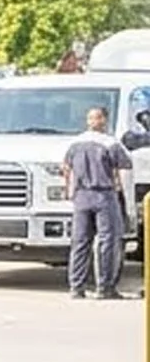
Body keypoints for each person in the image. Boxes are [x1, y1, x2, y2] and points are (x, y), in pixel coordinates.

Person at [62, 103, 131, 301]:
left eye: (95, 118)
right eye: (94, 118)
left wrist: (70, 191)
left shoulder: (74, 143)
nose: (95, 121)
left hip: (81, 196)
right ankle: (105, 287)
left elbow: (66, 168)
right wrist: (121, 191)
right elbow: (124, 167)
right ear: (105, 121)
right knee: (107, 241)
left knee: (80, 242)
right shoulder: (111, 143)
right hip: (104, 195)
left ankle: (76, 287)